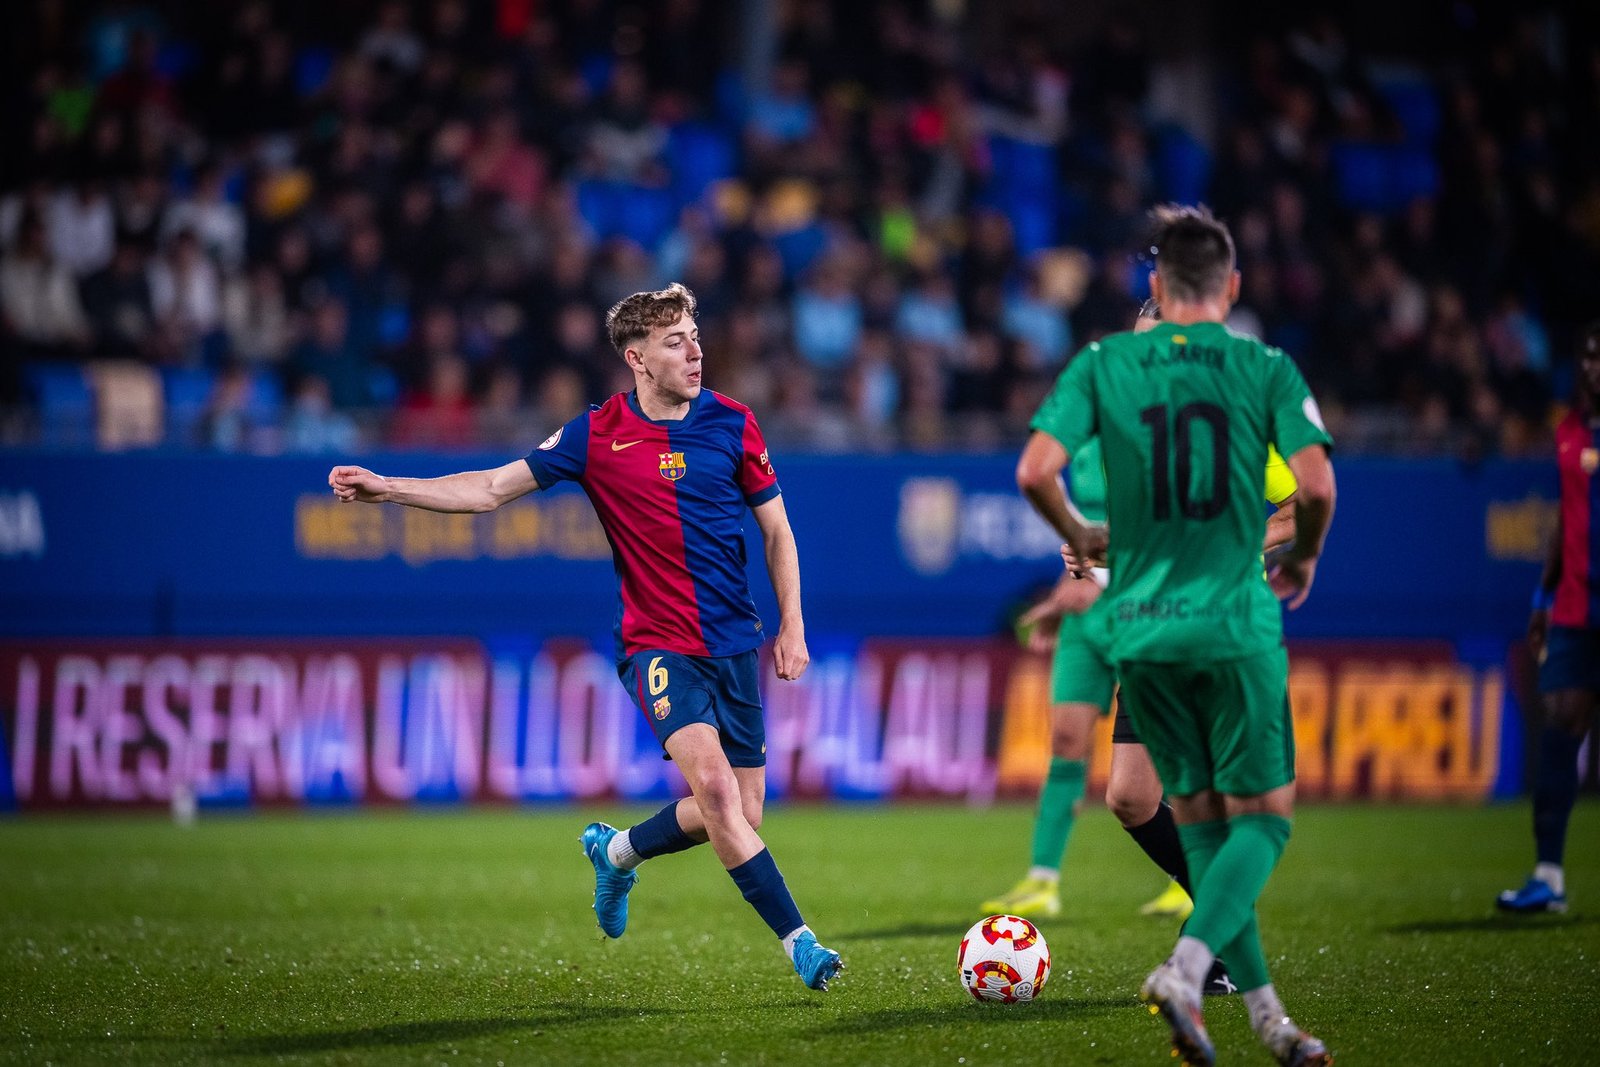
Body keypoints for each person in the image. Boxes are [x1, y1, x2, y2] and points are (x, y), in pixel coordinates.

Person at [327, 283, 844, 991]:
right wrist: (390, 487)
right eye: (675, 341)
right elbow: (487, 489)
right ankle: (802, 943)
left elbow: (777, 530)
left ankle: (619, 852)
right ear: (637, 358)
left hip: (735, 644)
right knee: (722, 797)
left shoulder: (734, 423)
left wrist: (793, 624)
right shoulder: (596, 434)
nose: (695, 350)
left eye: (694, 334)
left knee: (743, 813)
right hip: (658, 645)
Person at [1016, 205, 1335, 1067]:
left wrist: (1087, 537)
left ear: (1160, 290)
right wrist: (1299, 558)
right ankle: (1197, 967)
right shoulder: (1259, 368)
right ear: (1228, 288)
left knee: (1190, 818)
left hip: (1156, 626)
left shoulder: (1107, 368)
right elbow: (1315, 494)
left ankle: (1261, 1014)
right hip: (1220, 624)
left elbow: (1036, 472)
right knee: (1253, 821)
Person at [1499, 322, 1600, 914]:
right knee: (1561, 722)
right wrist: (1541, 599)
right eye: (1587, 355)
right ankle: (1549, 876)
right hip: (1574, 608)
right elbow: (1566, 520)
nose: (1592, 367)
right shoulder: (1567, 431)